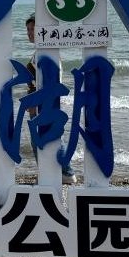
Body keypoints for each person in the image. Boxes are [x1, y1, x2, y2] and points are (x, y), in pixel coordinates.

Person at [25, 12, 75, 184]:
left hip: (44, 103)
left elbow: (52, 80)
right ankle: (56, 172)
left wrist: (37, 102)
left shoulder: (46, 53)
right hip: (39, 103)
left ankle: (65, 173)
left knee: (48, 137)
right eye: (28, 29)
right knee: (49, 136)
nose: (30, 33)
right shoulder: (40, 52)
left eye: (33, 29)